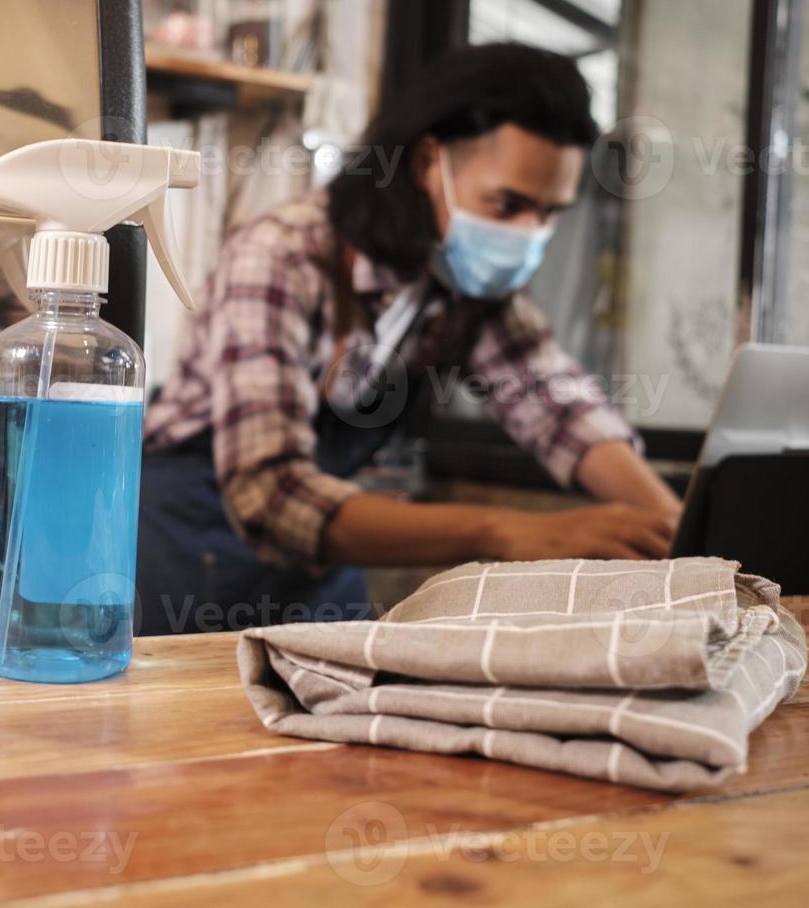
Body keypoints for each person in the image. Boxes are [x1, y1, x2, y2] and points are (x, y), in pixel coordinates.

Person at [137, 42, 682, 636]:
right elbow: (269, 495)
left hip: (319, 563)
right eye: (509, 203)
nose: (529, 234)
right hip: (194, 547)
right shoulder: (283, 254)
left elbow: (561, 407)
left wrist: (673, 525)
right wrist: (510, 531)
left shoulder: (463, 287)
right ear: (427, 162)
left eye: (549, 214)